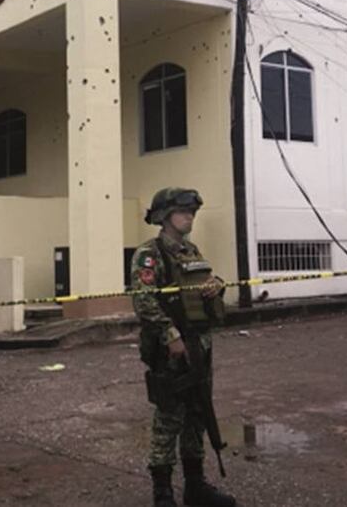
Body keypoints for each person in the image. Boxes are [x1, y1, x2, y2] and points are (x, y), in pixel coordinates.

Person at [129, 187, 236, 507]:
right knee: (168, 418)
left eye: (192, 212)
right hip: (171, 349)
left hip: (200, 345)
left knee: (198, 414)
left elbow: (200, 284)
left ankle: (195, 485)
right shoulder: (150, 254)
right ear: (164, 216)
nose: (189, 216)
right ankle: (162, 491)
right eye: (183, 211)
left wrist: (215, 286)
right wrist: (170, 335)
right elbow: (144, 301)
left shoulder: (191, 251)